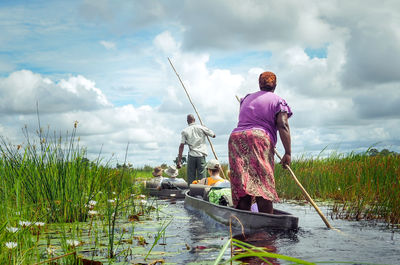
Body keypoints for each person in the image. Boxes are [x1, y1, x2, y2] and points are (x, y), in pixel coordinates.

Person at [228, 71, 292, 214]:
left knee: (243, 184)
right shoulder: (278, 101)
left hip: (237, 138)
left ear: (259, 84)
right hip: (258, 138)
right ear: (275, 85)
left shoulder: (246, 99)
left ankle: (242, 219)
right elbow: (283, 125)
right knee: (263, 185)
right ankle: (266, 223)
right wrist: (287, 153)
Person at [177, 114, 216, 185]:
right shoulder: (201, 128)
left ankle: (191, 193)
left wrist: (179, 161)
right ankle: (201, 192)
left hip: (192, 155)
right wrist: (205, 128)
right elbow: (213, 135)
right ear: (194, 120)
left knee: (191, 178)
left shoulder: (185, 131)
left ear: (187, 121)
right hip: (201, 155)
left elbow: (181, 146)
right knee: (202, 177)